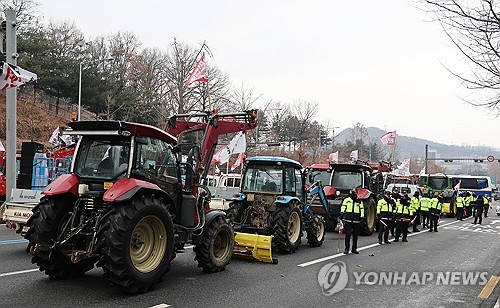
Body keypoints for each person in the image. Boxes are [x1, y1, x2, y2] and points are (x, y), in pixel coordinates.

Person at [340, 189, 364, 254]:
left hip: (356, 220)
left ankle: (354, 248)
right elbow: (343, 206)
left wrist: (362, 216)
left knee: (355, 235)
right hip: (348, 220)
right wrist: (342, 213)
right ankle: (346, 248)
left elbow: (362, 209)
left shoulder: (359, 201)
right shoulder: (347, 200)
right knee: (348, 234)